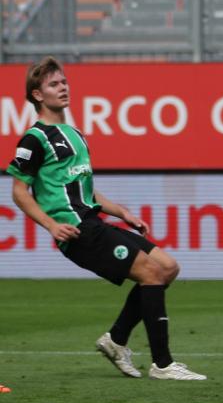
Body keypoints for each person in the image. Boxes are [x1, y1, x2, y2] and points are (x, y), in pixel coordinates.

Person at [6, 57, 205, 381]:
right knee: (152, 273)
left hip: (94, 221)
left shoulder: (73, 133)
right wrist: (53, 225)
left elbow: (84, 188)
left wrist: (122, 212)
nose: (63, 87)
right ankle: (163, 364)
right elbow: (19, 192)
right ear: (37, 94)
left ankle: (116, 340)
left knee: (167, 267)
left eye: (64, 82)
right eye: (54, 84)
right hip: (77, 231)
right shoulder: (35, 139)